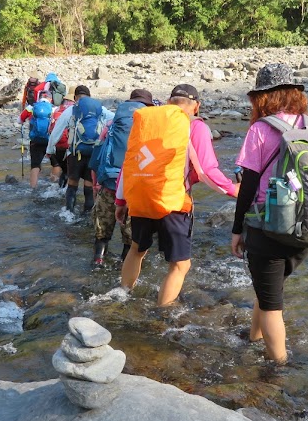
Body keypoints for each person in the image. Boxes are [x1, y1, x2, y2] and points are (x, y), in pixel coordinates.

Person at [231, 64, 308, 363]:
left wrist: (237, 229)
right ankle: (253, 337)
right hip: (307, 227)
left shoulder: (261, 129)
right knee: (269, 291)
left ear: (262, 98)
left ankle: (278, 367)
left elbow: (249, 183)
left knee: (271, 306)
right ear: (295, 94)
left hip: (269, 226)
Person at [115, 84, 238, 306]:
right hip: (174, 202)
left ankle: (121, 296)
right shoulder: (195, 126)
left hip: (142, 197)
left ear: (170, 102)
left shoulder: (148, 121)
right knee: (180, 265)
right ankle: (162, 313)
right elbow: (206, 170)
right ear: (197, 106)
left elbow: (129, 163)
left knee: (136, 249)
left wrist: (121, 200)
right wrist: (232, 189)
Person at [90, 89, 155, 267]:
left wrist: (96, 185)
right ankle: (123, 268)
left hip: (109, 184)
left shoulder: (111, 124)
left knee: (102, 232)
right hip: (135, 189)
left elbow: (96, 157)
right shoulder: (151, 127)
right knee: (130, 237)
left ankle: (98, 261)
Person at [47, 85, 113, 213]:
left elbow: (56, 131)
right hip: (94, 152)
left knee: (73, 183)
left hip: (75, 153)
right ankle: (87, 216)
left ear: (75, 97)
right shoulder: (100, 109)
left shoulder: (71, 109)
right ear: (89, 96)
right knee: (89, 184)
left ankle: (69, 214)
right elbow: (115, 118)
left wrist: (50, 150)